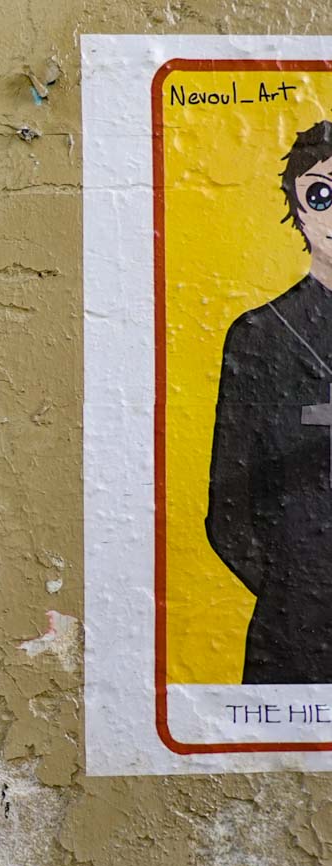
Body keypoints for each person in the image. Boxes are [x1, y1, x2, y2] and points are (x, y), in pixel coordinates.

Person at [208, 120, 332, 682]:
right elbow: (229, 515)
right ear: (298, 208)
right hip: (292, 637)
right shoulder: (259, 336)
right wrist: (295, 589)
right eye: (322, 194)